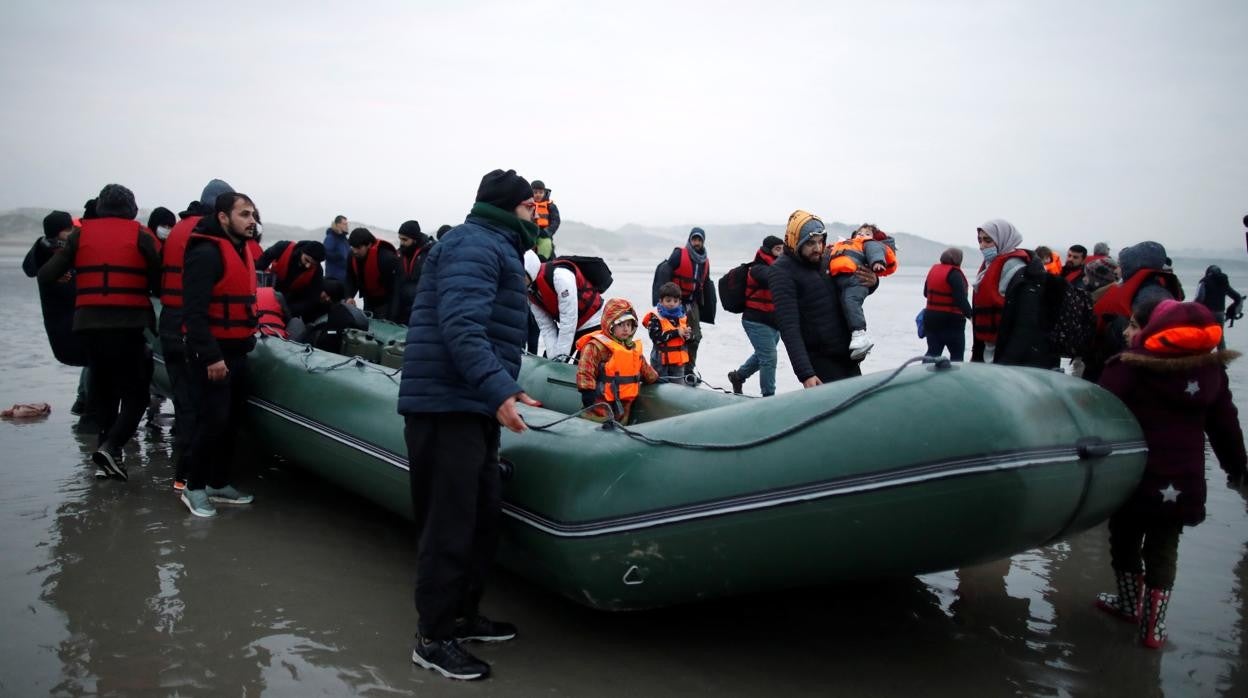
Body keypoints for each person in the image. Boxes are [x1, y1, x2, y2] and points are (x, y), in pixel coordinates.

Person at [399, 168, 540, 681]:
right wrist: (497, 387)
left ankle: (463, 615)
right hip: (445, 405)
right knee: (450, 524)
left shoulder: (496, 246)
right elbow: (460, 323)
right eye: (530, 206)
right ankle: (433, 638)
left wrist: (505, 384)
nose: (536, 215)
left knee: (481, 517)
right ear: (509, 207)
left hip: (471, 401)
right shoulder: (475, 246)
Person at [1095, 299, 1246, 649]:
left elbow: (1097, 415)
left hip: (1131, 476)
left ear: (1153, 332)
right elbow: (1226, 428)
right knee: (1165, 548)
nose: (1128, 332)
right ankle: (1154, 627)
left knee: (1124, 539)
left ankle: (1129, 603)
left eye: (1134, 326)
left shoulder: (1127, 369)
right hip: (1182, 480)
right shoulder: (1211, 375)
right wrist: (1237, 469)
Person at [37, 184, 161, 480]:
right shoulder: (141, 235)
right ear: (131, 208)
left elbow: (45, 276)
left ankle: (108, 457)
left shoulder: (81, 235)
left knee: (104, 392)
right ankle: (112, 446)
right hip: (128, 326)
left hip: (89, 327)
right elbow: (160, 279)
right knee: (137, 396)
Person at [179, 192, 260, 517]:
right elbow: (194, 313)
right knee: (212, 420)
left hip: (237, 349)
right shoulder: (207, 253)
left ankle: (218, 482)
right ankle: (193, 487)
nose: (251, 220)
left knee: (230, 421)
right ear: (223, 217)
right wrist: (211, 356)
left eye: (252, 214)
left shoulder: (240, 251)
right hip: (212, 354)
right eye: (244, 214)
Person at [159, 178, 234, 490]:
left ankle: (184, 473)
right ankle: (189, 478)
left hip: (170, 321)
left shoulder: (178, 230)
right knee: (200, 406)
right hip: (194, 326)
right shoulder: (210, 236)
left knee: (185, 402)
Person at [771, 210, 878, 386]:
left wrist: (873, 282)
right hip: (821, 361)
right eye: (811, 243)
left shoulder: (828, 258)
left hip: (847, 355)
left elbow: (849, 289)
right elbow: (789, 327)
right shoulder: (781, 271)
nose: (818, 248)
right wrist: (805, 373)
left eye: (821, 242)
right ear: (796, 241)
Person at [1085, 241, 1184, 382]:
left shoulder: (1150, 295)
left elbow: (1155, 338)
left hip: (1142, 367)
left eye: (1121, 265)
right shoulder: (1147, 288)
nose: (1116, 270)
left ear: (1133, 265)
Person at [24, 210, 90, 412]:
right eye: (68, 230)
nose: (72, 233)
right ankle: (85, 402)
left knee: (93, 360)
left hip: (68, 321)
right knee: (94, 359)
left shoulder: (47, 253)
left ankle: (83, 401)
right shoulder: (53, 258)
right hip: (66, 323)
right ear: (58, 233)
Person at [576, 298, 660, 423]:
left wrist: (654, 378)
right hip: (601, 401)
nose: (625, 329)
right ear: (610, 325)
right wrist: (587, 390)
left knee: (622, 423)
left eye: (628, 325)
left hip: (624, 402)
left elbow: (643, 367)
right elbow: (585, 369)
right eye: (620, 325)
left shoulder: (631, 348)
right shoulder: (597, 346)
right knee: (599, 420)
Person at [827, 223, 898, 358]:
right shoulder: (842, 246)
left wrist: (877, 264)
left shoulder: (870, 244)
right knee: (848, 303)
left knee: (851, 301)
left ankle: (859, 334)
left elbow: (875, 252)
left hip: (854, 282)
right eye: (860, 233)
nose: (862, 236)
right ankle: (859, 342)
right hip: (842, 284)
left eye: (867, 234)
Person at [728, 235, 784, 396]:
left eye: (783, 249)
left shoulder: (779, 267)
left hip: (773, 323)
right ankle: (768, 396)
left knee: (762, 355)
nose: (781, 253)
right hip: (755, 320)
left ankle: (738, 377)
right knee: (769, 358)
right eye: (777, 249)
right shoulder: (758, 269)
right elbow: (772, 278)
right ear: (768, 250)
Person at [524, 250, 603, 359]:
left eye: (521, 275)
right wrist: (553, 358)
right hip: (571, 327)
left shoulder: (560, 276)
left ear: (530, 270)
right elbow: (547, 327)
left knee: (582, 365)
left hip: (593, 322)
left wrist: (561, 356)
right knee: (549, 361)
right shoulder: (531, 292)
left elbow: (569, 318)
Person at [970, 219, 1031, 363]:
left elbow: (1024, 318)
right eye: (980, 240)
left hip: (1006, 351)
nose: (982, 246)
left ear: (1003, 239)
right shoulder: (988, 268)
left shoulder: (1016, 270)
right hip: (987, 347)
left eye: (987, 240)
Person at [663, 228, 711, 368]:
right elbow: (665, 272)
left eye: (699, 240)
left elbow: (705, 283)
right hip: (674, 303)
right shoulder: (679, 254)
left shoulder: (705, 261)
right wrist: (664, 299)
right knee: (670, 335)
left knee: (695, 337)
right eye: (694, 239)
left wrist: (707, 307)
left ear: (703, 241)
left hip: (692, 304)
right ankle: (668, 368)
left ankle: (689, 370)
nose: (696, 242)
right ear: (690, 240)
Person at [922, 247, 974, 362]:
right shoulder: (955, 274)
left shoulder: (933, 270)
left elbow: (926, 293)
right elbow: (960, 299)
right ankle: (956, 379)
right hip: (952, 321)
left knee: (932, 353)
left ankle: (924, 376)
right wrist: (971, 316)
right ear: (958, 260)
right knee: (957, 356)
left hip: (931, 319)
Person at [258, 239, 326, 322]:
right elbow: (259, 265)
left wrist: (288, 310)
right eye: (307, 260)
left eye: (313, 264)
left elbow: (311, 299)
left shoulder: (317, 271)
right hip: (268, 292)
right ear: (302, 252)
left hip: (290, 303)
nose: (308, 266)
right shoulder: (283, 247)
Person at [299, 278, 369, 353]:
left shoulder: (337, 314)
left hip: (337, 337)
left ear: (328, 297)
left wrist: (320, 333)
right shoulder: (341, 307)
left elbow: (333, 333)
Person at [345, 227, 400, 321]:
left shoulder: (386, 258)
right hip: (368, 299)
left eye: (358, 248)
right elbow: (351, 278)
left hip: (385, 301)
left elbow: (395, 289)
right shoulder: (352, 256)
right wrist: (349, 296)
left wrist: (392, 315)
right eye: (353, 247)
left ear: (369, 245)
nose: (355, 251)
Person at [643, 282, 692, 381]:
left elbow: (689, 340)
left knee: (678, 387)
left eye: (675, 301)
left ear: (679, 302)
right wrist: (676, 333)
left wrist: (689, 336)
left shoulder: (682, 318)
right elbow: (656, 338)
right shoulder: (655, 318)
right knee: (661, 386)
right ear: (661, 301)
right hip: (660, 362)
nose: (672, 304)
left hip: (678, 363)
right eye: (668, 300)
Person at [393, 220, 433, 323]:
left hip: (422, 309)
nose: (401, 243)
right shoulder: (399, 254)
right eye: (400, 239)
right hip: (401, 310)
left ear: (415, 239)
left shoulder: (430, 254)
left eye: (405, 240)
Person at [1195, 265, 1242, 350]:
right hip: (1220, 314)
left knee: (1204, 335)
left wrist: (1193, 307)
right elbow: (1237, 297)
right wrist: (1233, 309)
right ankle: (1223, 359)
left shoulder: (1204, 281)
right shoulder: (1223, 283)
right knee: (1220, 337)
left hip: (1206, 314)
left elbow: (1200, 297)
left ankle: (1203, 357)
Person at [530, 180, 560, 260]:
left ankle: (544, 261)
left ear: (544, 192)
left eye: (540, 192)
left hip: (544, 234)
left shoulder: (551, 206)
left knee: (547, 245)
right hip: (530, 233)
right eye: (535, 192)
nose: (538, 195)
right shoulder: (527, 205)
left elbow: (555, 221)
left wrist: (547, 232)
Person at [323, 215, 350, 282]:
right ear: (338, 224)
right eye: (344, 224)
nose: (346, 226)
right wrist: (339, 257)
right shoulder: (331, 237)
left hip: (345, 277)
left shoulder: (344, 239)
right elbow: (325, 253)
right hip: (334, 278)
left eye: (347, 224)